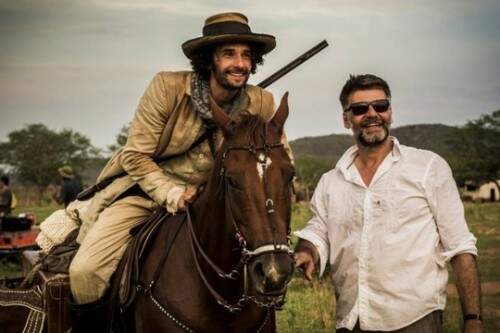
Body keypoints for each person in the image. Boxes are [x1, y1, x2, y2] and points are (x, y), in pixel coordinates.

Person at [67, 12, 288, 331]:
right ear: (208, 59)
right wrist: (171, 193)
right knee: (85, 272)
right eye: (229, 54)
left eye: (246, 55)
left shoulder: (262, 102)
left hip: (217, 203)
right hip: (146, 193)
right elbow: (135, 155)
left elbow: (279, 160)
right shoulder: (167, 87)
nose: (239, 64)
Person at [294, 74, 482, 333]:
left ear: (390, 112)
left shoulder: (428, 167)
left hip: (415, 320)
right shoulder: (331, 181)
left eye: (380, 106)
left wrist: (472, 319)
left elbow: (460, 247)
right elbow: (319, 229)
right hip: (352, 321)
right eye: (360, 109)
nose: (372, 114)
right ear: (346, 119)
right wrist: (307, 251)